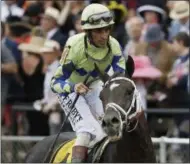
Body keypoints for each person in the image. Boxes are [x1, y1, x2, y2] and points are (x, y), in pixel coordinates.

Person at [50, 3, 126, 163]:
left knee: (109, 129)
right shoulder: (74, 45)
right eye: (99, 31)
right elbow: (55, 82)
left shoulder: (114, 46)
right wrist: (73, 86)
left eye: (107, 29)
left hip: (95, 87)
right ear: (88, 31)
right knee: (87, 130)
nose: (104, 35)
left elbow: (121, 78)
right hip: (71, 91)